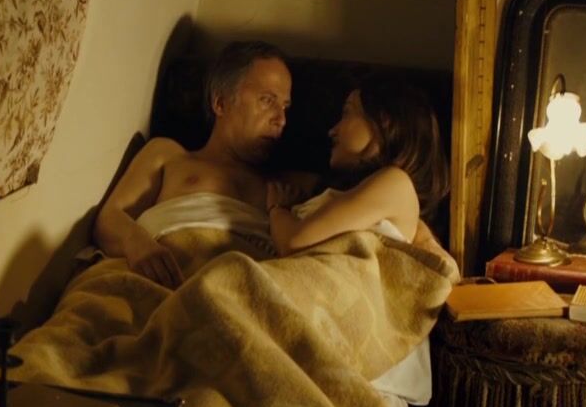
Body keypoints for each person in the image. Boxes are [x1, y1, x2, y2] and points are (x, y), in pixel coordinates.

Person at [92, 41, 298, 288]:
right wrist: (137, 243)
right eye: (267, 100)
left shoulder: (286, 190)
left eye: (285, 107)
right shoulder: (169, 156)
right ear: (220, 103)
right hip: (157, 279)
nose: (281, 119)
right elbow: (110, 218)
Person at [267, 74, 449, 255]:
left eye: (347, 113)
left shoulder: (397, 183)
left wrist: (277, 209)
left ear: (384, 121)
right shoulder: (351, 191)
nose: (333, 131)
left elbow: (293, 242)